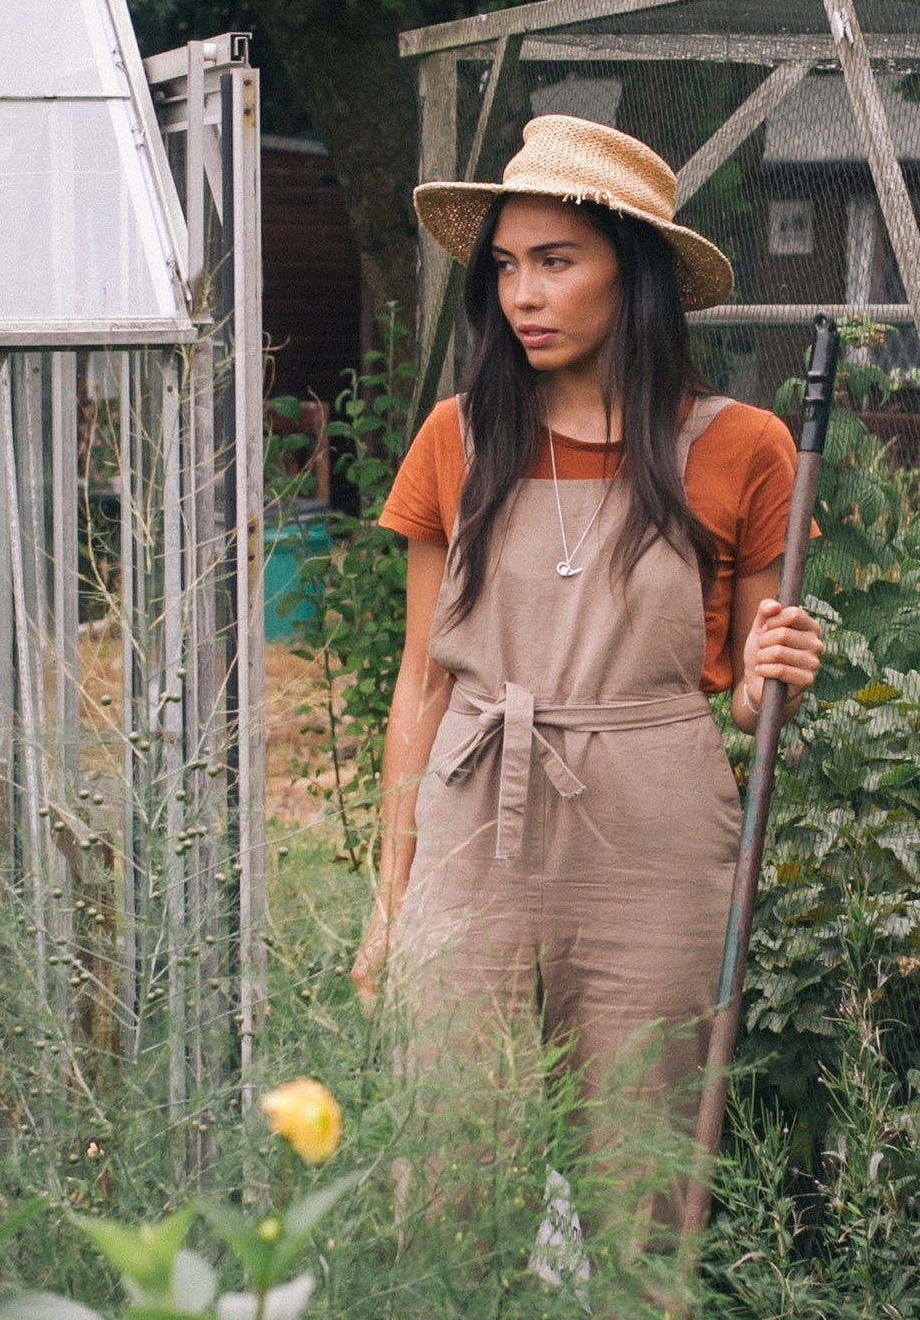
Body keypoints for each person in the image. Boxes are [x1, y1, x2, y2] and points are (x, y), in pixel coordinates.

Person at [353, 113, 823, 1212]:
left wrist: (774, 670)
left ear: (633, 273)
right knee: (450, 1164)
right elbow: (421, 683)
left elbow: (752, 701)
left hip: (653, 837)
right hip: (476, 823)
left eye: (556, 262)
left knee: (642, 1174)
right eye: (508, 266)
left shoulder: (740, 446)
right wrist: (391, 897)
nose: (523, 293)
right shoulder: (455, 439)